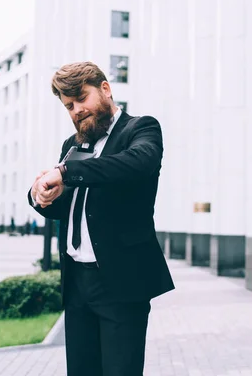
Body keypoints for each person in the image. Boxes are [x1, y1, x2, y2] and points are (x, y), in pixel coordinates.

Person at [28, 61, 174, 376]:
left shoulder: (141, 129)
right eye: (69, 106)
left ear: (105, 89)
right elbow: (65, 206)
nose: (76, 110)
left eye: (82, 98)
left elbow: (136, 164)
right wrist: (40, 195)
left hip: (121, 283)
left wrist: (65, 172)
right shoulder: (74, 145)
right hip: (77, 285)